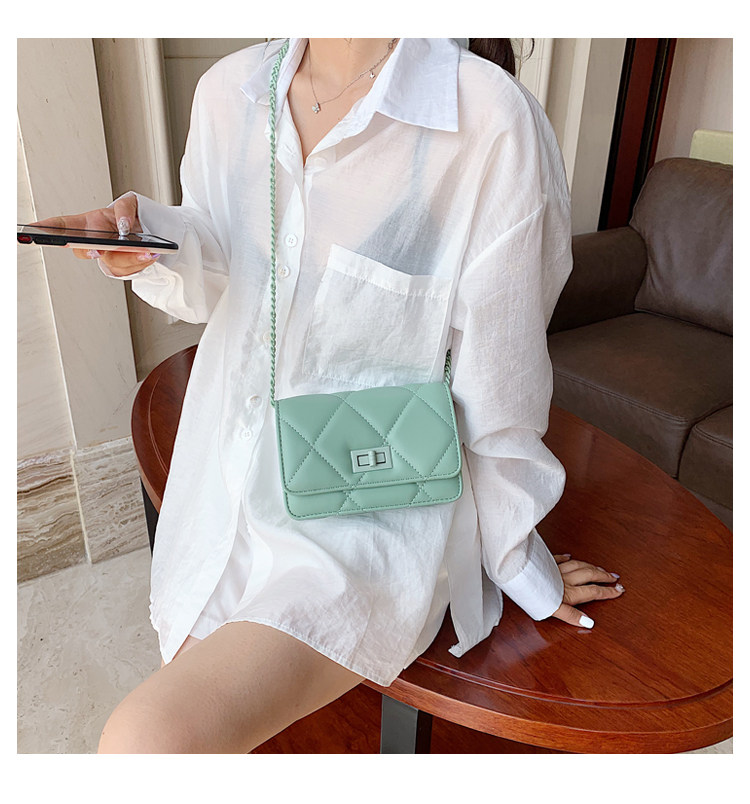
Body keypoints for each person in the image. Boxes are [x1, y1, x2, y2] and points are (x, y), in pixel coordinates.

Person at [36, 38, 624, 754]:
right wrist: (154, 240)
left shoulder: (487, 118)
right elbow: (227, 282)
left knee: (147, 741)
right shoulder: (229, 91)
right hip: (221, 482)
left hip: (367, 512)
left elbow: (501, 383)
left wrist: (515, 561)